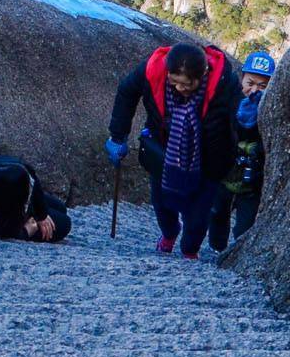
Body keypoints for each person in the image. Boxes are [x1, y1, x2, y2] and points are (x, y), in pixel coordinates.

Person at [106, 40, 239, 257]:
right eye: (174, 81)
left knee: (198, 215)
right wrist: (118, 135)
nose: (179, 88)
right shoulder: (153, 70)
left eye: (187, 85)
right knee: (161, 201)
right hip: (164, 151)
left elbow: (238, 114)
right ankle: (169, 233)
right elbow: (127, 91)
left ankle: (189, 251)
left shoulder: (224, 82)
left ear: (203, 74)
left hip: (211, 156)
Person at [207, 48, 275, 251]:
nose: (255, 90)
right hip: (226, 171)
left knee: (245, 222)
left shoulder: (272, 111)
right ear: (242, 79)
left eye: (263, 86)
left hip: (253, 180)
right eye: (250, 83)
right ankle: (217, 249)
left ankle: (237, 253)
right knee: (218, 213)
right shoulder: (231, 102)